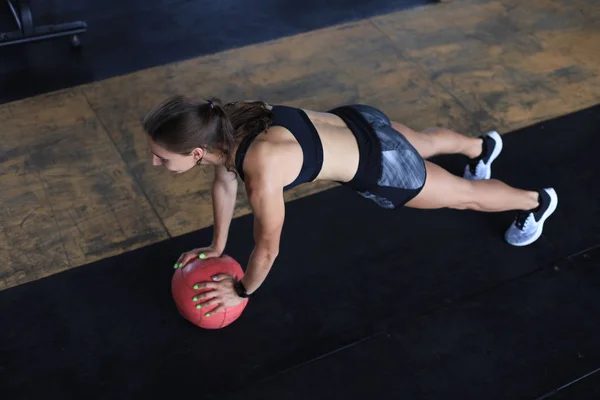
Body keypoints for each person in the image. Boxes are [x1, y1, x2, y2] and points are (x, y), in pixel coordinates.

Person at [143, 96, 558, 316]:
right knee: (423, 141)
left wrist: (241, 291)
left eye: (162, 156)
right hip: (356, 121)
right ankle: (481, 147)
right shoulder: (227, 119)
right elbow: (222, 180)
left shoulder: (261, 170)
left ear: (197, 151)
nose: (156, 162)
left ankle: (534, 203)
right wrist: (217, 247)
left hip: (381, 165)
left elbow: (268, 248)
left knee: (463, 197)